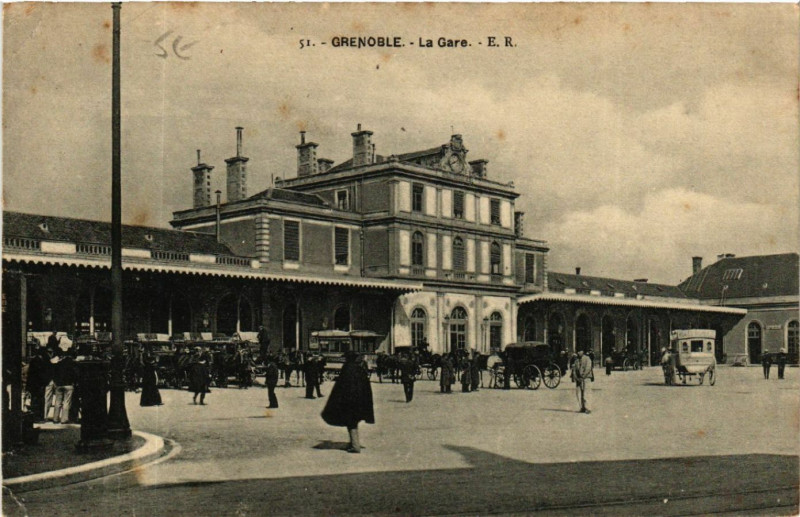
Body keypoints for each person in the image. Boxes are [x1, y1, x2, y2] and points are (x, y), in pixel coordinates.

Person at [321, 351, 374, 453]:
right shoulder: (359, 369)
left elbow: (342, 386)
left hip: (349, 400)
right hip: (359, 400)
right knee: (353, 422)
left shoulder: (347, 368)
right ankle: (353, 443)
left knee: (351, 422)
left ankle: (355, 445)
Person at [26, 346, 52, 422]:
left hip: (34, 384)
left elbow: (30, 374)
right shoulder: (44, 361)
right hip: (40, 384)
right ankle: (38, 416)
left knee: (35, 400)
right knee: (40, 400)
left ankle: (34, 416)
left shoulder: (34, 360)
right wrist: (46, 382)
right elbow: (47, 373)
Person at [52, 351, 78, 423]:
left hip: (59, 385)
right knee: (66, 402)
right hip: (69, 385)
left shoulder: (59, 364)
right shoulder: (73, 364)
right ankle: (64, 419)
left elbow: (54, 374)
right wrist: (74, 382)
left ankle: (55, 418)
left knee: (57, 402)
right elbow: (75, 375)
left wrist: (56, 383)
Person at [571, 349, 594, 414]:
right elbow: (574, 370)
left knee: (586, 393)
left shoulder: (587, 359)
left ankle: (588, 408)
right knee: (579, 393)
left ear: (583, 352)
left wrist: (583, 376)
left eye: (580, 351)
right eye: (577, 351)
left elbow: (588, 368)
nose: (578, 353)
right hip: (579, 379)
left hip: (586, 378)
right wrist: (576, 377)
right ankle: (582, 407)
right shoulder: (576, 361)